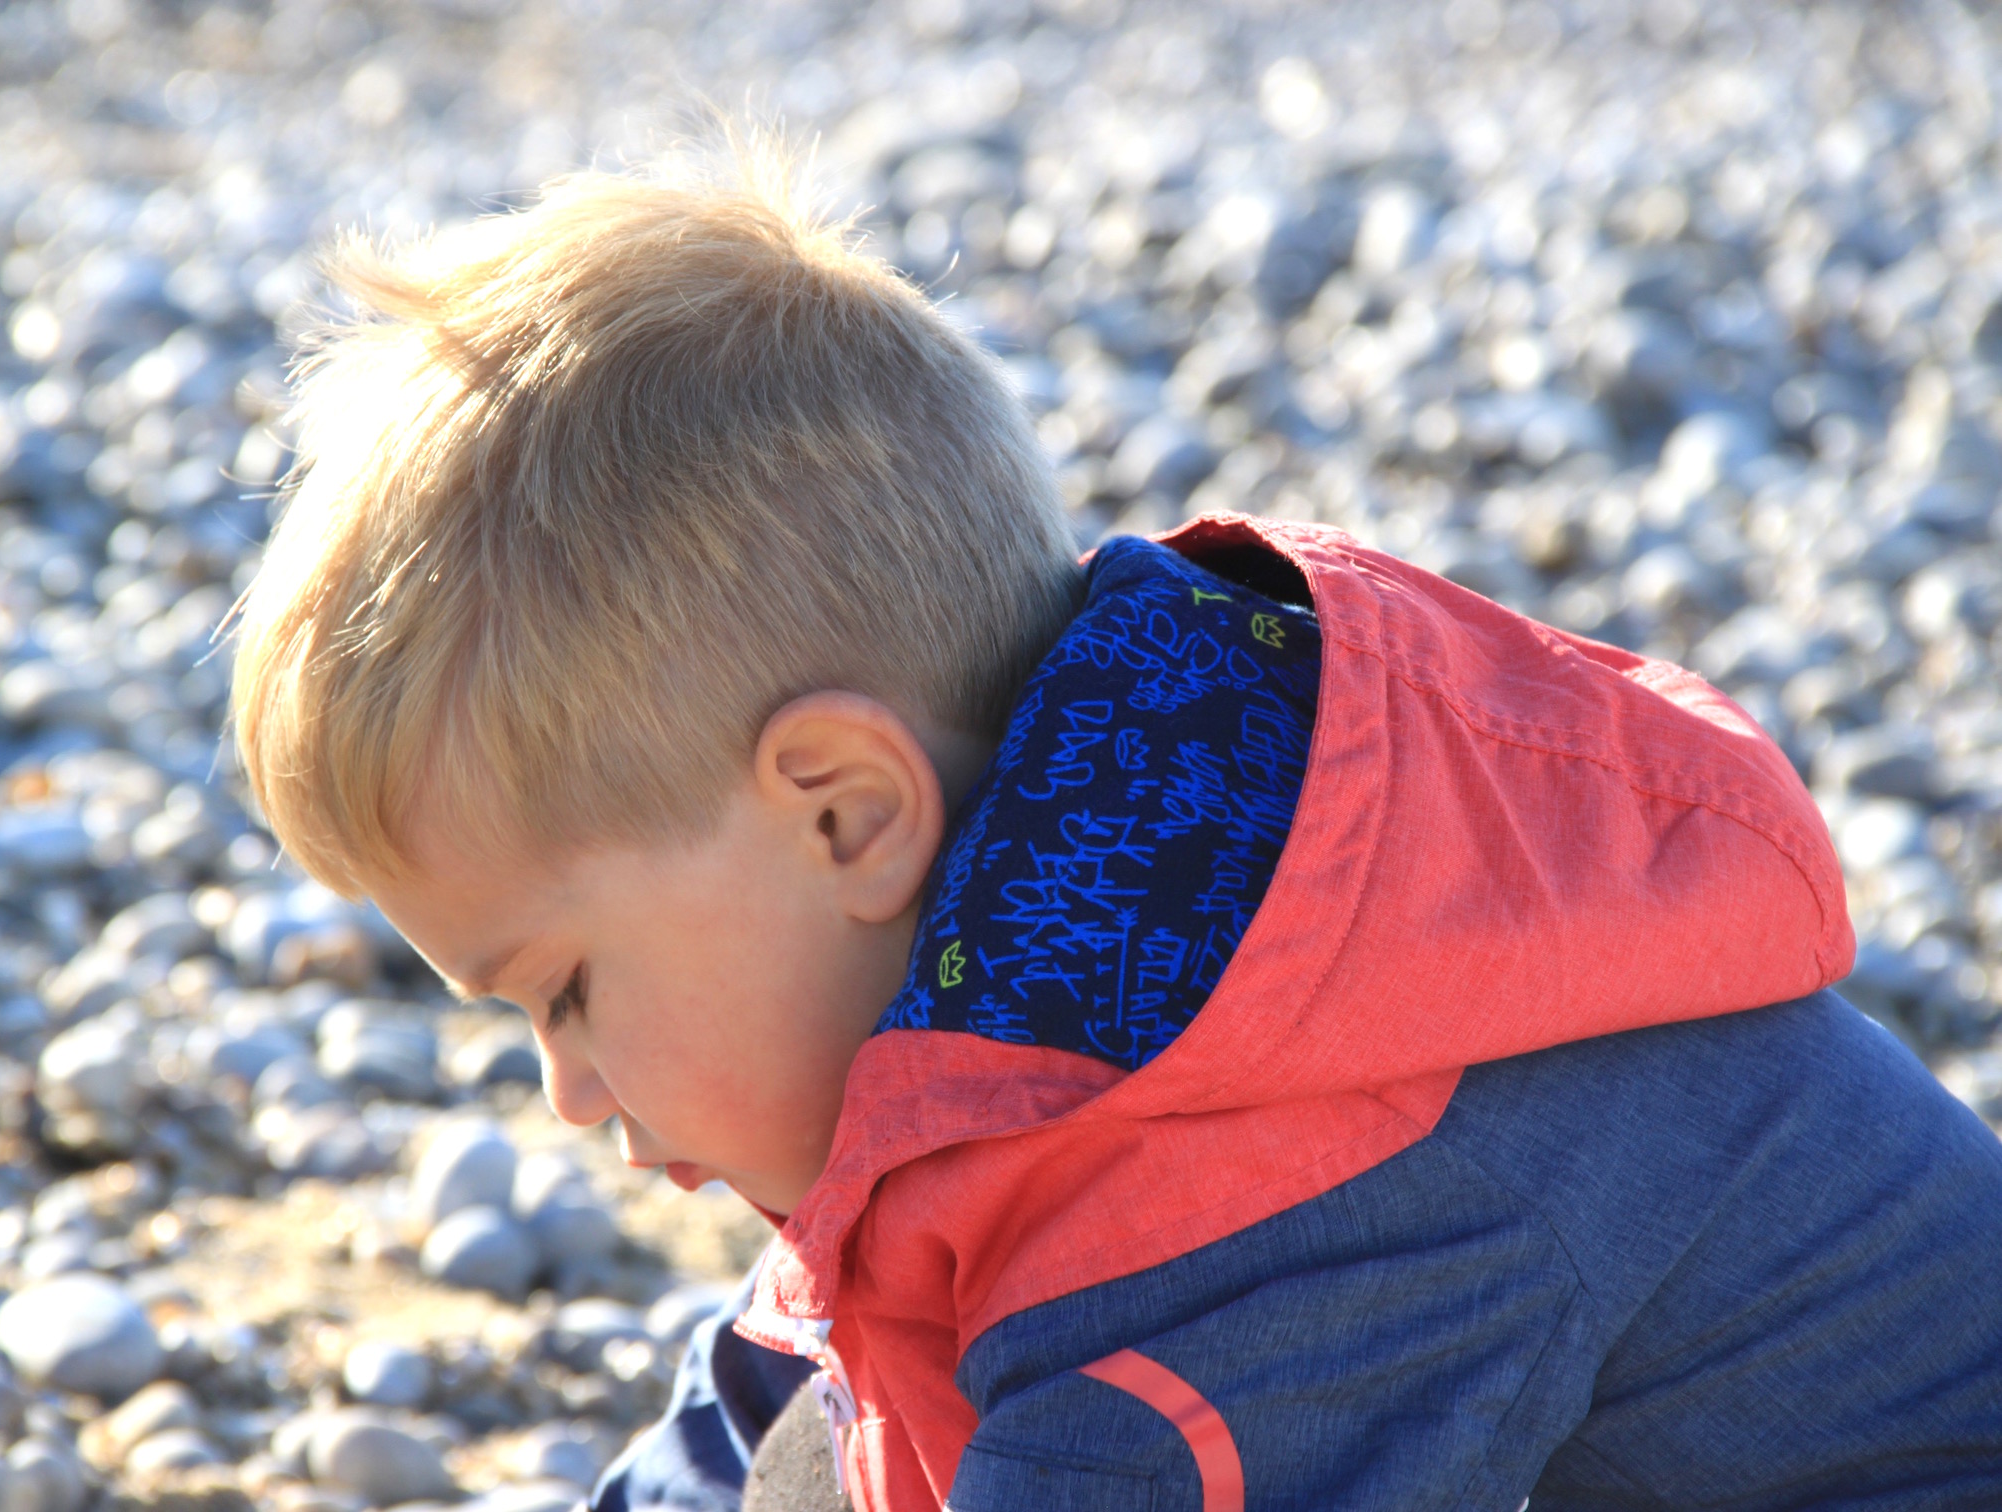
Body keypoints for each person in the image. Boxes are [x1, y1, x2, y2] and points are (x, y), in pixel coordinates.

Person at [226, 147, 2002, 1511]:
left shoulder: (1275, 1193)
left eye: (563, 992)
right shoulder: (1067, 963)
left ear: (845, 817)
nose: (566, 1093)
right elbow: (813, 1368)